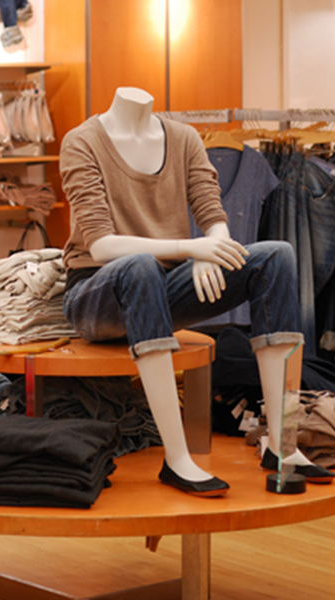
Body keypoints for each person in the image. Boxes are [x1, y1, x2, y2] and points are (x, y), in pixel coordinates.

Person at [59, 87, 334, 496]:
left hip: (162, 287)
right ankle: (177, 459)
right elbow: (101, 245)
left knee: (276, 256)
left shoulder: (184, 138)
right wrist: (191, 248)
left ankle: (283, 444)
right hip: (97, 294)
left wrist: (212, 249)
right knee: (140, 266)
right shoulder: (82, 141)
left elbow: (212, 212)